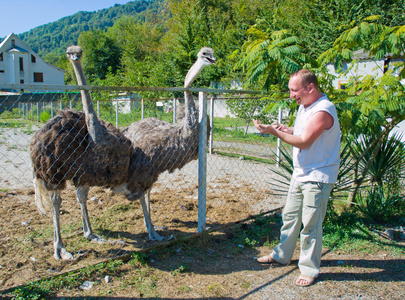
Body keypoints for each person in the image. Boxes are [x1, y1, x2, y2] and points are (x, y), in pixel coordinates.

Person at [253, 69, 340, 287]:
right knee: (290, 217)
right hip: (301, 173)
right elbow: (302, 131)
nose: (292, 94)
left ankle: (310, 269)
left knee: (311, 225)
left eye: (295, 90)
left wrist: (274, 133)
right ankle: (282, 255)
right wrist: (287, 129)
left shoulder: (323, 109)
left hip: (317, 175)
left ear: (310, 87)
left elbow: (304, 141)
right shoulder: (306, 106)